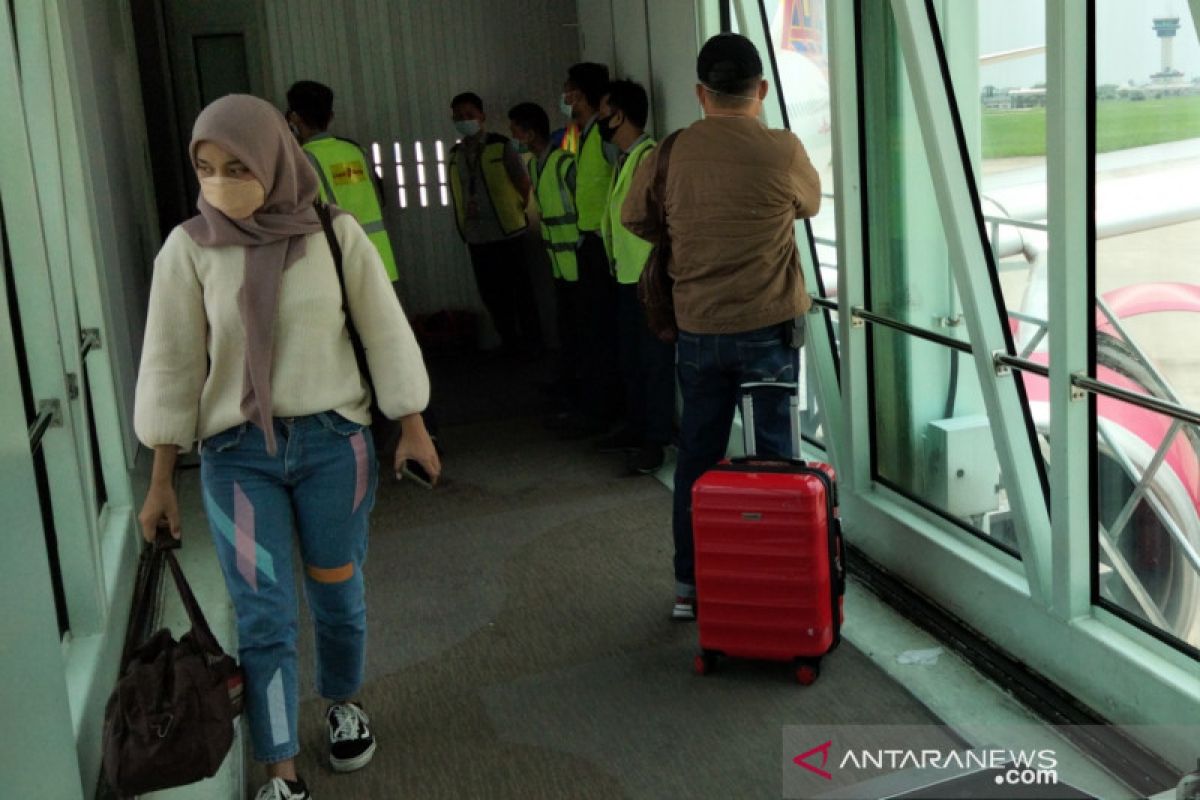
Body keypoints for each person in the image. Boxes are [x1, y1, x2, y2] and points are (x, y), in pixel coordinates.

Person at [134, 94, 441, 800]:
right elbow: (171, 364)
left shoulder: (333, 234)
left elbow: (385, 331)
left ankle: (343, 705)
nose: (219, 182)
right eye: (204, 167)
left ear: (275, 157)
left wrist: (413, 425)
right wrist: (158, 482)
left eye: (236, 165)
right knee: (264, 614)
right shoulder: (189, 248)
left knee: (337, 594)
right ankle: (280, 768)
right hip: (238, 458)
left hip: (336, 444)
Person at [623, 33, 821, 621]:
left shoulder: (674, 148)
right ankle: (779, 589)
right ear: (760, 91)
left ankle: (690, 588)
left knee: (697, 461)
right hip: (768, 329)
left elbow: (636, 216)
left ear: (700, 94)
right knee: (777, 462)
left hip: (698, 331)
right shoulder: (782, 149)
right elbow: (808, 206)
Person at [595, 80, 673, 475]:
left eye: (604, 111)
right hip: (626, 275)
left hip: (647, 279)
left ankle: (654, 440)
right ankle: (637, 426)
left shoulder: (649, 156)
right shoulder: (626, 158)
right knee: (632, 360)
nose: (599, 120)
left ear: (620, 115)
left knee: (653, 362)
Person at [447, 91, 541, 356]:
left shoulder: (501, 146)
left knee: (521, 293)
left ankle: (533, 345)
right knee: (492, 295)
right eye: (458, 116)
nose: (463, 120)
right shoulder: (455, 154)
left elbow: (524, 184)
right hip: (477, 236)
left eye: (469, 115)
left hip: (508, 233)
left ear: (482, 117)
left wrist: (515, 209)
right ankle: (509, 343)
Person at [553, 62, 620, 438]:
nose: (565, 99)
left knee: (600, 335)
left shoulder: (605, 137)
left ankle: (603, 413)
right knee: (589, 333)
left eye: (569, 91)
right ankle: (594, 408)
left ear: (582, 94)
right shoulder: (581, 134)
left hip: (602, 247)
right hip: (586, 244)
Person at [285, 80, 399, 286]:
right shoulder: (355, 151)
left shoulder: (300, 161)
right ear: (330, 116)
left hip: (339, 263)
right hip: (378, 256)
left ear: (294, 118)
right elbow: (380, 200)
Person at [509, 101, 581, 405]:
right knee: (567, 331)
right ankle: (568, 386)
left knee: (581, 334)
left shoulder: (564, 163)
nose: (513, 137)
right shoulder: (536, 165)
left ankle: (580, 393)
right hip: (559, 264)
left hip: (578, 263)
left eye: (516, 131)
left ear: (530, 132)